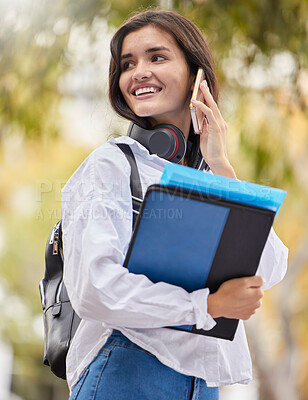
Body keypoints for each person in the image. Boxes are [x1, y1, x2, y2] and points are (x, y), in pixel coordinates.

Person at [62, 9, 288, 400]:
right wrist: (207, 304)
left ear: (197, 77)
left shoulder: (211, 173)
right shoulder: (112, 163)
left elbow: (268, 268)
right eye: (127, 64)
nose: (139, 72)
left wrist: (221, 164)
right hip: (128, 368)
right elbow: (94, 288)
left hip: (202, 382)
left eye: (157, 57)